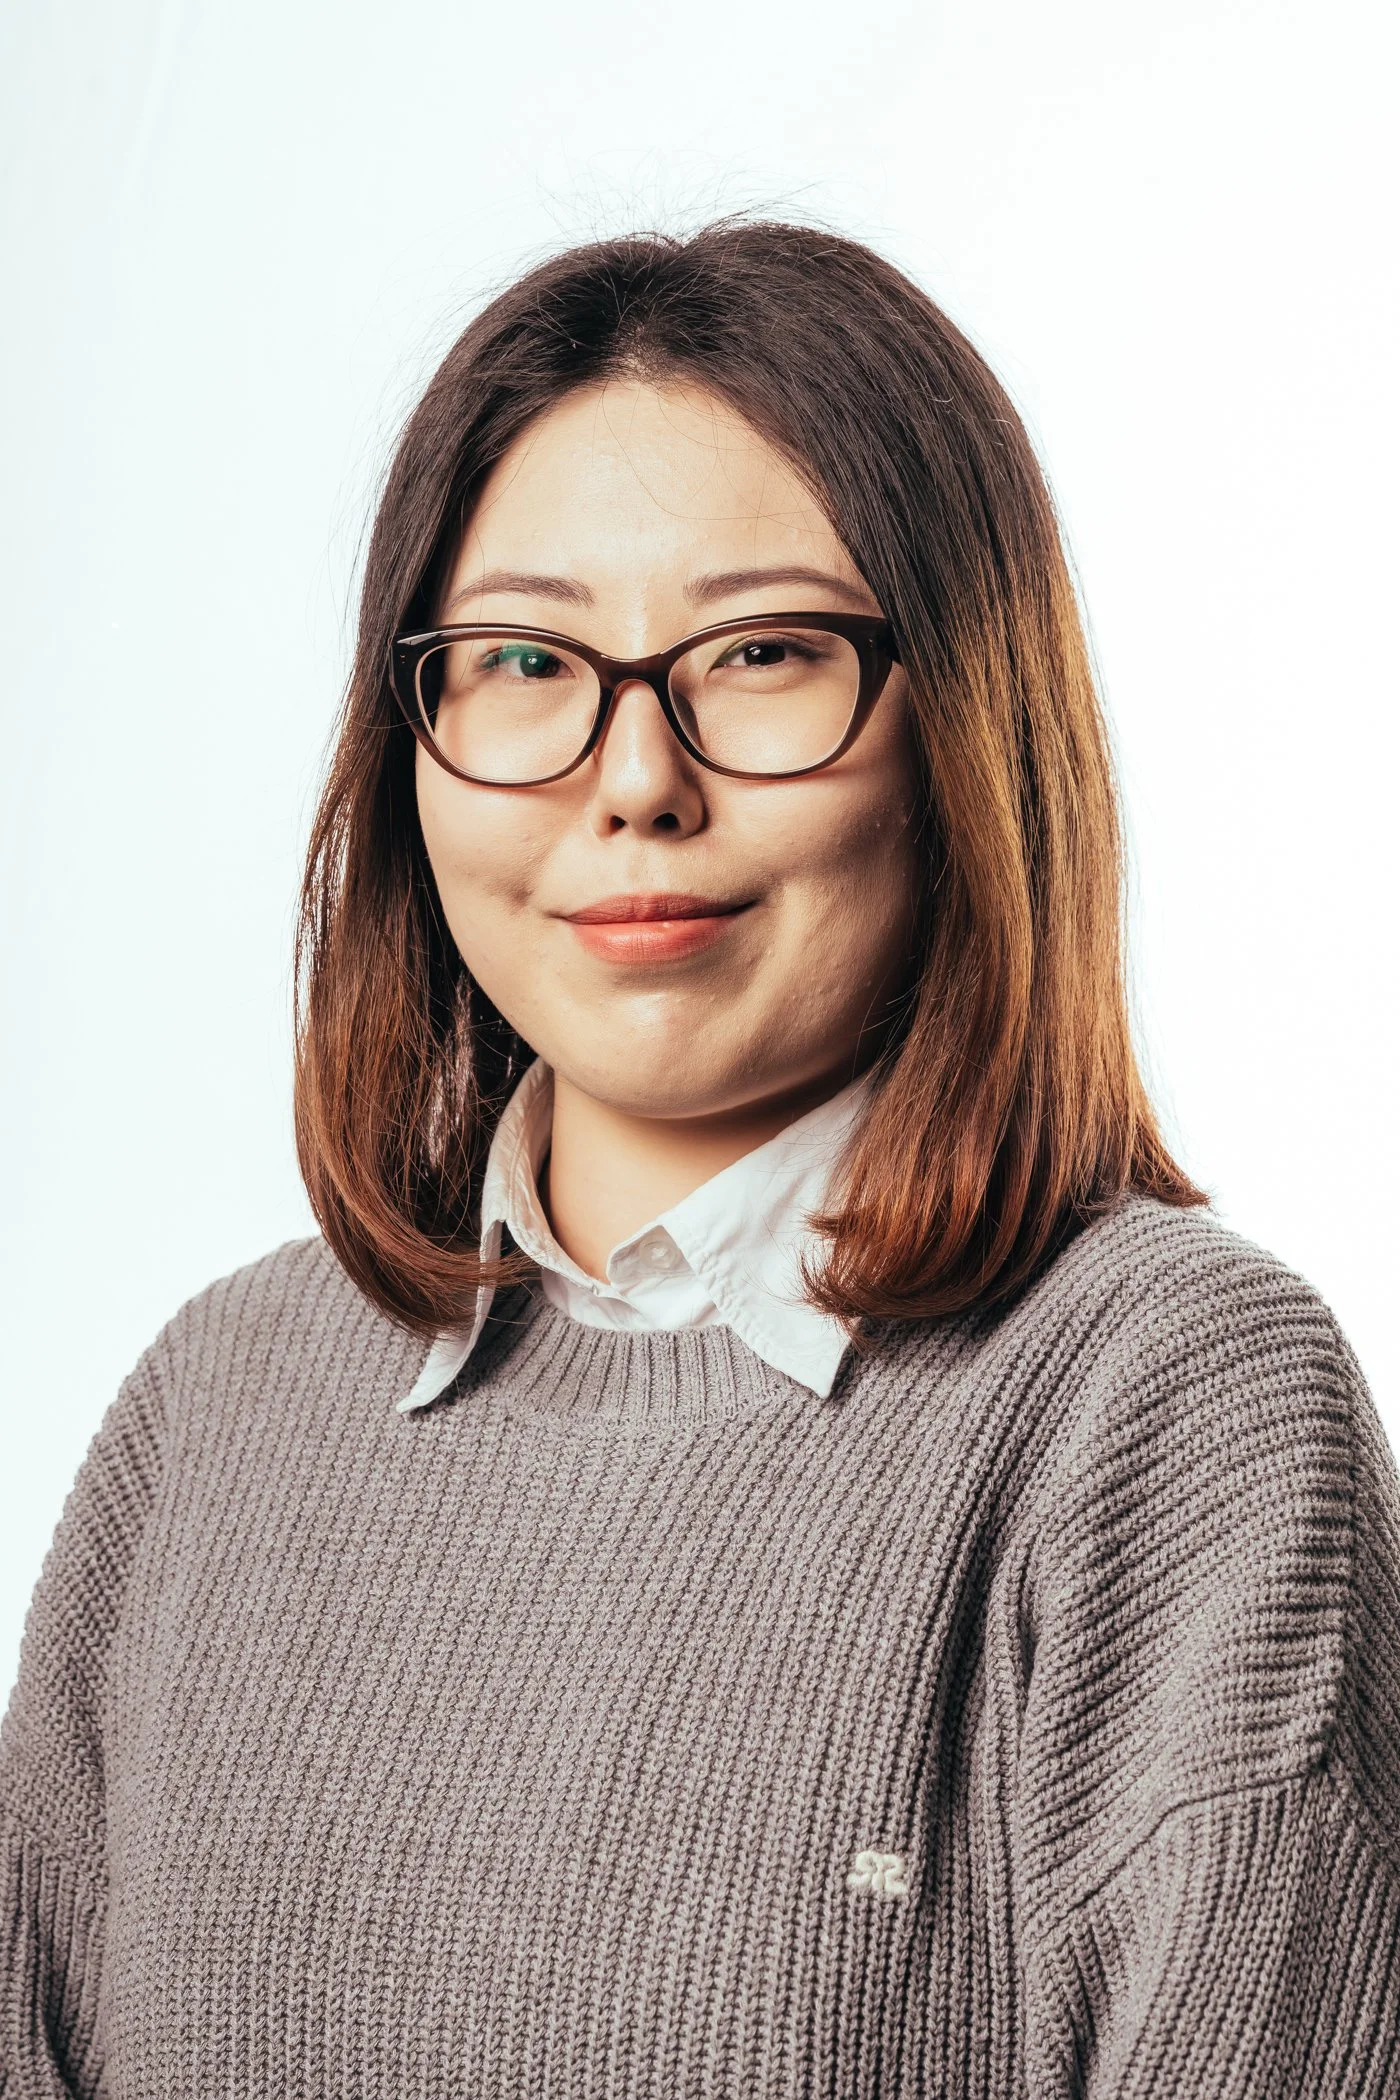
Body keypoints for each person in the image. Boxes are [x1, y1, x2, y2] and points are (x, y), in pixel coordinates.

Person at [2, 219, 1396, 2100]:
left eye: (761, 652)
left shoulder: (1162, 1406)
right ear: (407, 748)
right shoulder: (214, 1411)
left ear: (965, 730)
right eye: (521, 659)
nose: (633, 776)